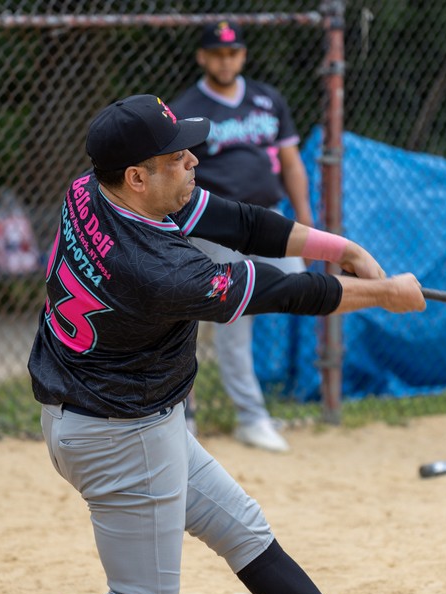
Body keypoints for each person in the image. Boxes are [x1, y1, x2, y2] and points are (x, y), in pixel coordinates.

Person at [0, 94, 422, 594]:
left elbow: (240, 222)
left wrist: (342, 248)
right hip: (121, 435)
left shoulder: (89, 190)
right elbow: (285, 291)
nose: (194, 161)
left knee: (244, 531)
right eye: (177, 157)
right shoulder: (161, 269)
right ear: (137, 176)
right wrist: (385, 294)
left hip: (104, 414)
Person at [169, 20, 316, 453]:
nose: (225, 61)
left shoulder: (268, 99)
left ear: (243, 55)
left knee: (304, 287)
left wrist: (307, 222)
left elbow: (291, 163)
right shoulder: (186, 108)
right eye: (217, 53)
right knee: (232, 320)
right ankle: (248, 417)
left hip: (269, 219)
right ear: (202, 57)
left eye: (232, 53)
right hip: (217, 227)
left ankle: (278, 396)